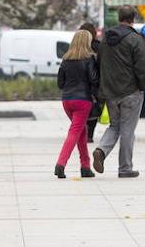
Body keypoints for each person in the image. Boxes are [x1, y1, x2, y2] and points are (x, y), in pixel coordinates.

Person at [93, 5, 145, 178]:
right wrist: (142, 86)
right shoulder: (135, 39)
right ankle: (125, 168)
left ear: (119, 17)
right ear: (133, 18)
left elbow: (100, 62)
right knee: (127, 130)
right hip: (130, 92)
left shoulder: (106, 39)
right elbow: (143, 66)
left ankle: (101, 150)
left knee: (115, 126)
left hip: (110, 92)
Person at [55, 29, 99, 178]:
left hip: (67, 100)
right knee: (75, 132)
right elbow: (94, 80)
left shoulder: (66, 59)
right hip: (82, 100)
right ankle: (60, 164)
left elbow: (60, 83)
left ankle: (85, 166)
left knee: (81, 131)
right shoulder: (89, 59)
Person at [80, 22, 105, 142]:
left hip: (79, 83)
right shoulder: (98, 46)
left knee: (82, 110)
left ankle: (83, 131)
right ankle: (90, 134)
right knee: (95, 108)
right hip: (95, 82)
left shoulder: (76, 48)